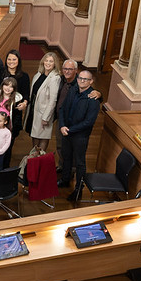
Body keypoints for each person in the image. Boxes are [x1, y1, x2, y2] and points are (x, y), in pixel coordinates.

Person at [58, 70, 100, 201]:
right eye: (80, 78)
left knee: (80, 163)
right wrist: (62, 125)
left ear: (91, 81)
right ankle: (65, 180)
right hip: (66, 131)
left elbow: (89, 122)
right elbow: (62, 108)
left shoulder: (93, 99)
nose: (82, 81)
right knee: (66, 157)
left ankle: (78, 189)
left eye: (85, 79)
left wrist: (70, 130)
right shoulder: (73, 90)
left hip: (80, 136)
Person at [55, 58, 101, 166]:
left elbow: (92, 94)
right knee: (60, 145)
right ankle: (63, 166)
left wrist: (99, 94)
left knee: (75, 154)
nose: (67, 71)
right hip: (61, 120)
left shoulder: (80, 83)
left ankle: (72, 169)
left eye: (70, 69)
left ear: (76, 71)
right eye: (65, 68)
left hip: (76, 127)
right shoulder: (61, 80)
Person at [24, 52, 61, 153]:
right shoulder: (38, 74)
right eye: (46, 60)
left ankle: (39, 157)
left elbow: (53, 100)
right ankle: (35, 157)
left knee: (43, 136)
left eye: (51, 61)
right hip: (34, 109)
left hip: (44, 113)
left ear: (55, 64)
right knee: (35, 135)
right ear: (43, 61)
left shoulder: (55, 78)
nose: (48, 63)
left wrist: (46, 117)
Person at [0, 76, 24, 166]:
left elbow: (18, 117)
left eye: (11, 87)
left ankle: (5, 167)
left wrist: (14, 132)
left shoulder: (17, 99)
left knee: (7, 149)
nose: (8, 88)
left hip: (9, 128)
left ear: (14, 89)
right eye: (6, 85)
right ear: (2, 85)